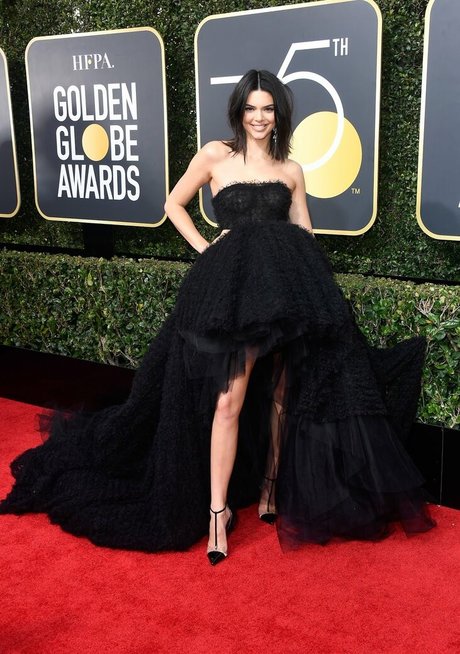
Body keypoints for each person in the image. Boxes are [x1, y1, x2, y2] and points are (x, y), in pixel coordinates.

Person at [0, 70, 434, 565]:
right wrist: (207, 249)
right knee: (229, 401)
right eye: (251, 108)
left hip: (287, 293)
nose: (259, 117)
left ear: (279, 114)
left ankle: (271, 487)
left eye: (267, 108)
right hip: (235, 296)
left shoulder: (291, 168)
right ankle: (217, 511)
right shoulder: (214, 155)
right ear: (238, 112)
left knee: (283, 395)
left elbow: (304, 231)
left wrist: (312, 286)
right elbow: (173, 204)